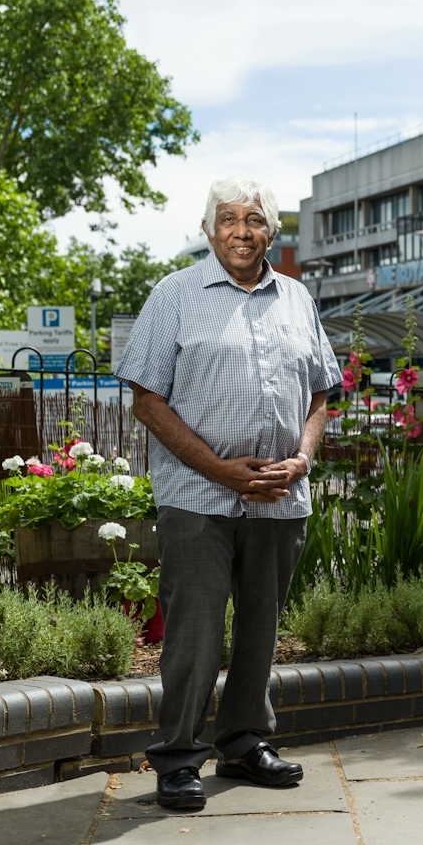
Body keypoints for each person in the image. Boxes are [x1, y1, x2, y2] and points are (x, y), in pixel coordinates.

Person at [116, 176, 342, 809]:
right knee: (194, 632)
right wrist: (222, 470)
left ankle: (243, 741)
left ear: (273, 231)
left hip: (280, 497)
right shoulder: (175, 295)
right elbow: (147, 402)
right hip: (197, 497)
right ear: (209, 229)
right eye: (229, 219)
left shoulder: (298, 299)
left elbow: (321, 394)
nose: (242, 231)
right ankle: (179, 756)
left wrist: (300, 458)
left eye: (255, 219)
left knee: (260, 629)